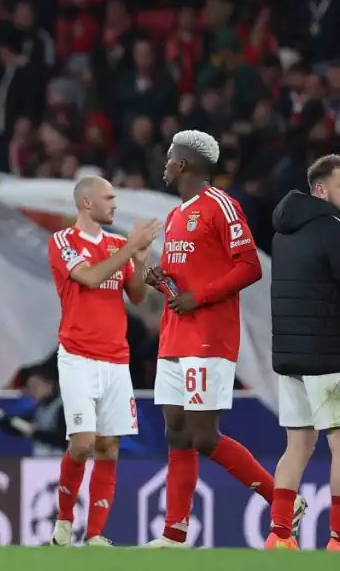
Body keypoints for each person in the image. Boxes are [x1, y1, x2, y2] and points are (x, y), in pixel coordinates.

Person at [141, 130, 281, 548]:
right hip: (173, 334)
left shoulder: (221, 205)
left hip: (208, 335)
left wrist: (196, 297)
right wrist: (162, 282)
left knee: (204, 435)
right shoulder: (174, 216)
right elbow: (184, 281)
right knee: (176, 431)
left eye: (169, 157)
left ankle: (281, 502)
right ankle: (174, 533)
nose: (164, 165)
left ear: (182, 163)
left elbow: (249, 267)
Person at [44, 176, 158, 547]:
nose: (115, 205)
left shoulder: (115, 245)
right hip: (78, 355)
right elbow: (90, 278)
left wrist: (138, 261)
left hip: (116, 358)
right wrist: (130, 248)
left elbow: (137, 297)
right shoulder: (63, 241)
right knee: (82, 443)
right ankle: (64, 519)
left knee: (109, 445)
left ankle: (94, 534)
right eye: (109, 198)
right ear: (87, 203)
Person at [266, 154, 340, 551]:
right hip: (328, 356)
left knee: (297, 446)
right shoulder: (331, 228)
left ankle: (279, 535)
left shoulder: (284, 231)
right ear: (322, 190)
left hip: (291, 357)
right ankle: (337, 539)